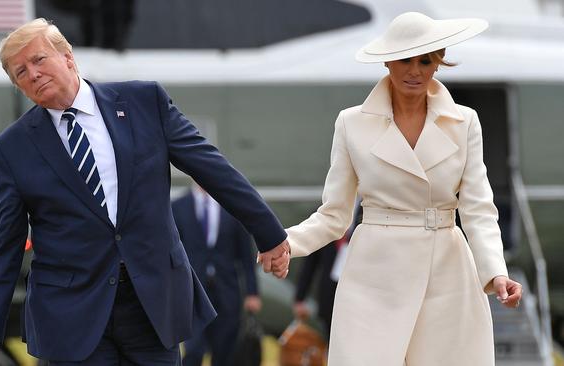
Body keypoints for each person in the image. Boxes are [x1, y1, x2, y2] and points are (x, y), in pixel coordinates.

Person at [0, 18, 290, 365]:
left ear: (68, 57)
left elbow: (213, 169)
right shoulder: (13, 148)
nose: (32, 74)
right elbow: (4, 240)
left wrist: (268, 233)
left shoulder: (143, 102)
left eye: (39, 60)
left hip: (152, 304)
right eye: (20, 73)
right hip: (71, 313)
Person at [283, 12, 522, 365]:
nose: (415, 70)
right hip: (374, 275)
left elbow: (478, 209)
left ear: (438, 63)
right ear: (387, 62)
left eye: (425, 60)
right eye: (405, 59)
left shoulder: (465, 121)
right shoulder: (351, 123)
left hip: (447, 275)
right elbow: (334, 214)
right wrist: (285, 242)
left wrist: (496, 272)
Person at [172, 184, 262, 366]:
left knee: (224, 351)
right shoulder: (178, 206)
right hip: (193, 292)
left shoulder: (231, 207)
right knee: (193, 350)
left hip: (227, 292)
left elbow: (246, 255)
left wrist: (253, 292)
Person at [293, 202, 362, 340]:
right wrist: (300, 297)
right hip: (329, 295)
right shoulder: (324, 212)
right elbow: (310, 261)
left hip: (359, 298)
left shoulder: (371, 211)